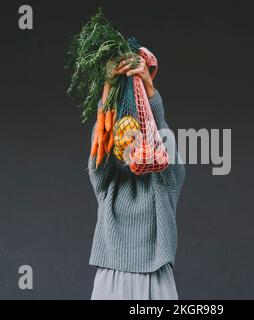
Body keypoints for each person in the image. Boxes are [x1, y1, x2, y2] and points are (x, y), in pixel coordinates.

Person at [88, 55, 185, 300]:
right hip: (111, 279)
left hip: (156, 279)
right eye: (125, 137)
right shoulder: (108, 182)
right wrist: (108, 86)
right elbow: (99, 144)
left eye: (140, 135)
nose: (133, 142)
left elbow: (167, 146)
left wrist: (149, 89)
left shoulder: (163, 182)